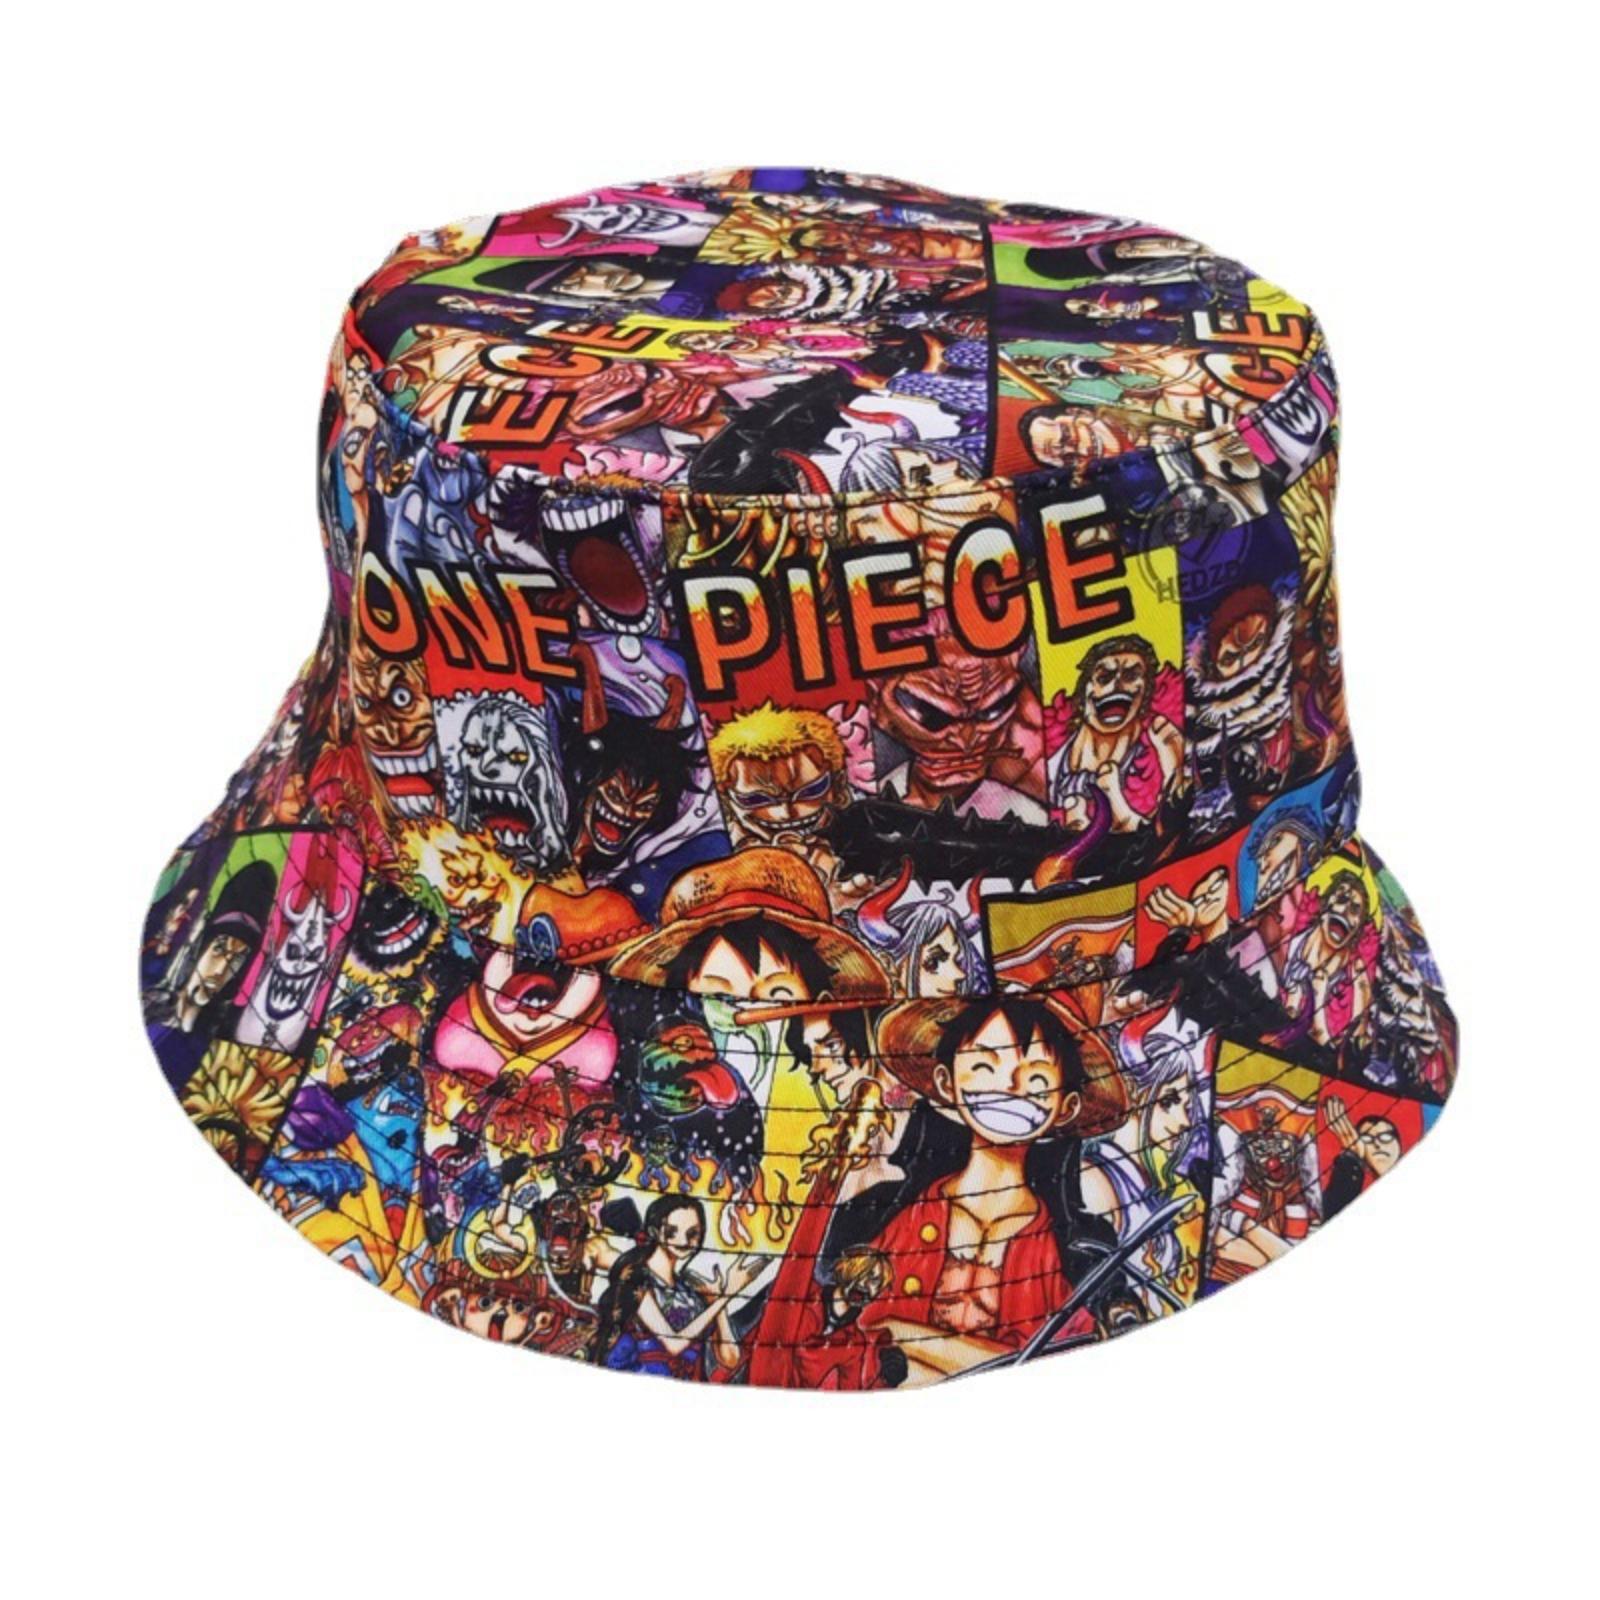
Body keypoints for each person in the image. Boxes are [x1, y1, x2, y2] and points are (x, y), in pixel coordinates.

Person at [592, 1196, 765, 1380]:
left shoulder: (689, 1292)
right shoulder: (637, 1279)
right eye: (672, 1231)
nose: (683, 1240)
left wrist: (718, 1304)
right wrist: (727, 1295)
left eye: (693, 1233)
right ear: (655, 1232)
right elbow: (673, 1345)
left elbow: (731, 1358)